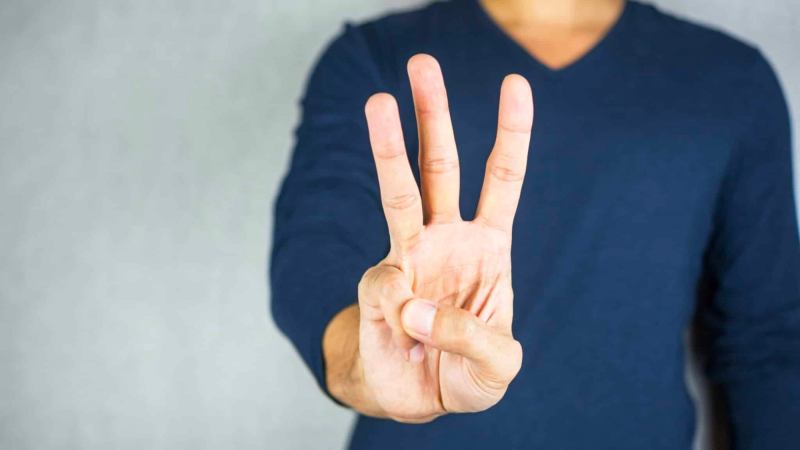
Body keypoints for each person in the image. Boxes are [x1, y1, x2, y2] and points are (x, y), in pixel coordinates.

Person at [270, 0, 800, 448]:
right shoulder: (375, 56)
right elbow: (314, 258)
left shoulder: (733, 82)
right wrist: (368, 368)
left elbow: (765, 340)